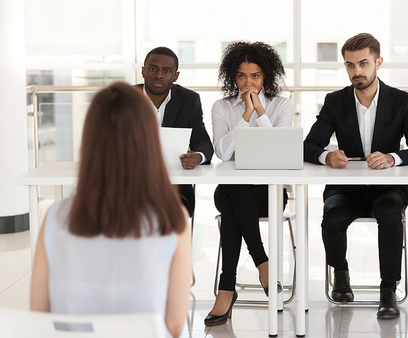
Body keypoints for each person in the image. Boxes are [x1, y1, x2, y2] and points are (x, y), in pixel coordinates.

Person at [30, 82, 192, 338]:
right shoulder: (172, 219)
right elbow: (173, 324)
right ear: (149, 143)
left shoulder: (55, 218)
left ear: (90, 140)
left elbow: (39, 316)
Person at [304, 33, 408, 319]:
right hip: (347, 187)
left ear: (378, 62)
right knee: (333, 218)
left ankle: (388, 290)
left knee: (389, 215)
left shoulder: (401, 101)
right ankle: (340, 274)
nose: (357, 72)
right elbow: (309, 146)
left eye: (363, 63)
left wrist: (393, 158)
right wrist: (328, 156)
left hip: (387, 187)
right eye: (350, 65)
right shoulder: (335, 101)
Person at [206, 41, 293, 326]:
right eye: (242, 76)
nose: (248, 82)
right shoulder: (222, 107)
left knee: (233, 207)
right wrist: (245, 114)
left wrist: (261, 113)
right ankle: (263, 263)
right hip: (232, 189)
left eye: (254, 75)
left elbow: (278, 150)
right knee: (234, 189)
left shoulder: (282, 105)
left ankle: (226, 289)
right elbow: (223, 153)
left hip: (269, 192)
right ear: (234, 77)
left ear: (265, 75)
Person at [137, 46, 214, 218]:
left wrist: (198, 156)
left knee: (169, 212)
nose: (159, 75)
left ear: (175, 76)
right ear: (143, 71)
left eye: (166, 71)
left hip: (174, 185)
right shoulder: (126, 98)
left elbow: (202, 141)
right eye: (153, 69)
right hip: (133, 182)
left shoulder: (189, 100)